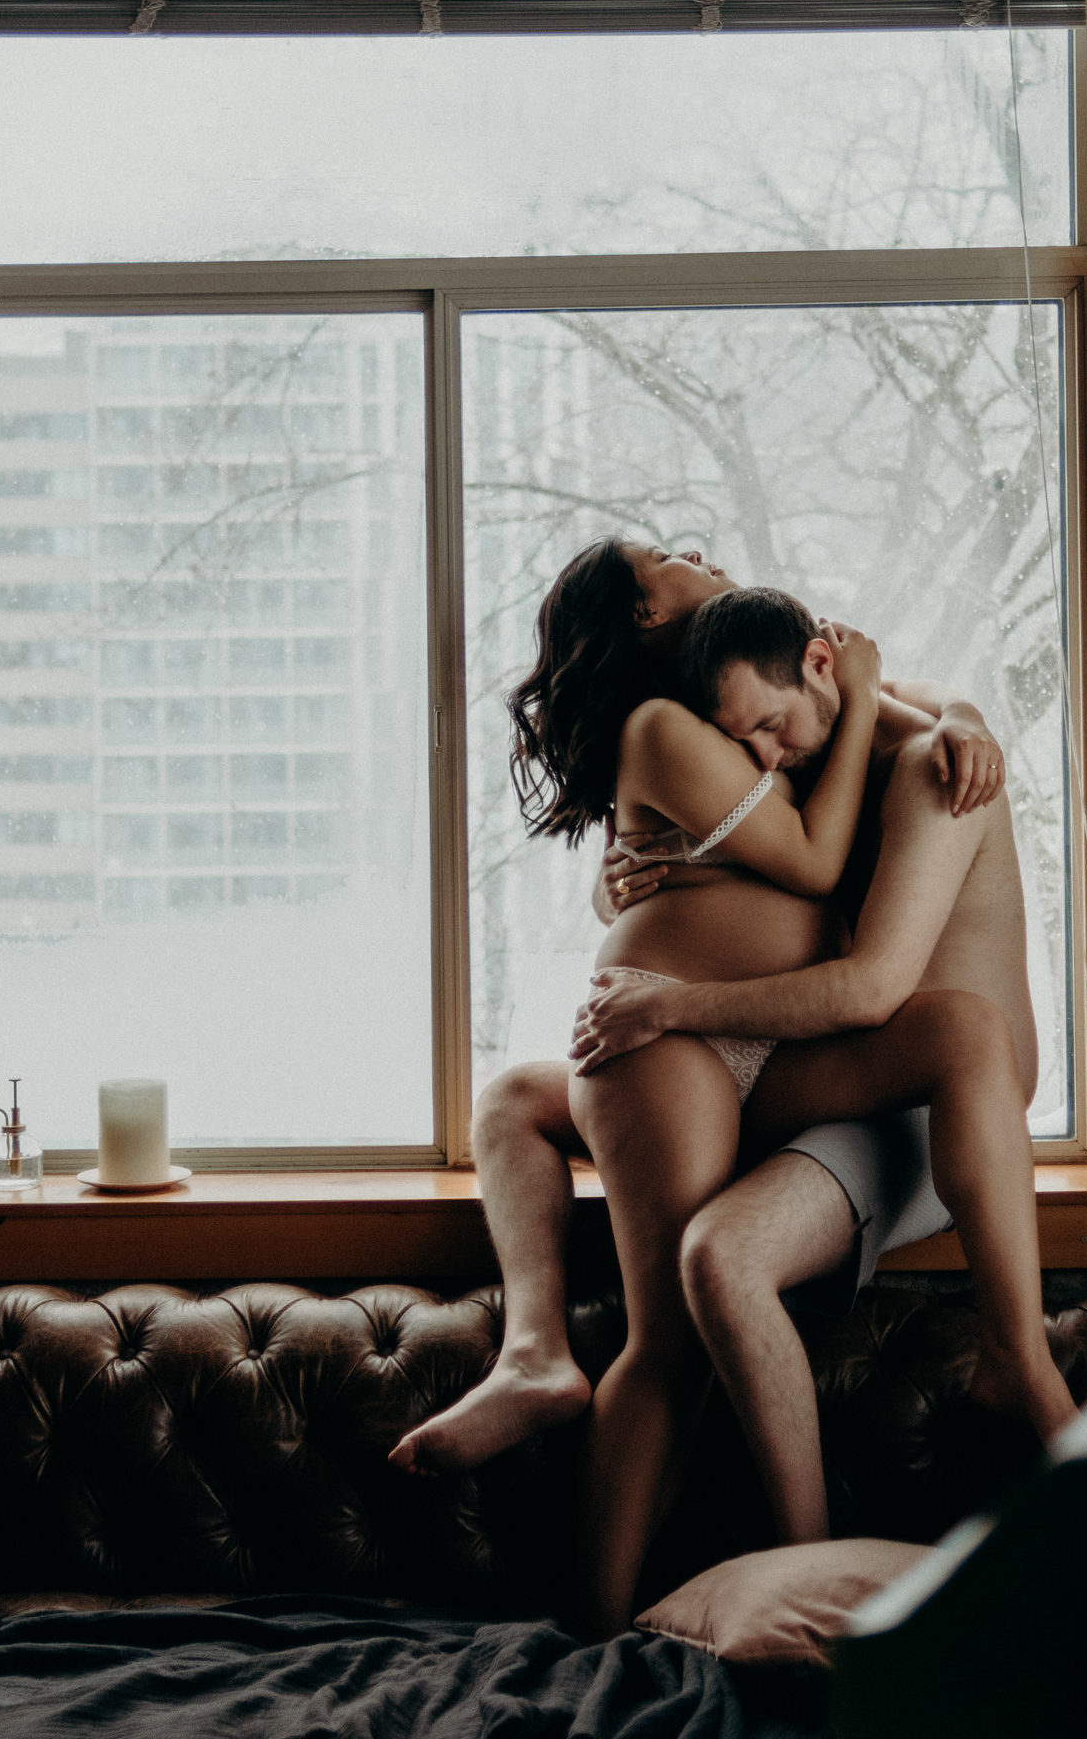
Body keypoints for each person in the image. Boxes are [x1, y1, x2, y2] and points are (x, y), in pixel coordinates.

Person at [390, 538, 997, 1485]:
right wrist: (622, 903)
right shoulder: (676, 726)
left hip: (753, 1043)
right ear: (642, 612)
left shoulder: (740, 698)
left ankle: (538, 1354)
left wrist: (956, 711)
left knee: (516, 1101)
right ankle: (538, 1366)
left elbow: (874, 712)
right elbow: (811, 862)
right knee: (662, 1335)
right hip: (687, 1042)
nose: (697, 550)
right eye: (667, 554)